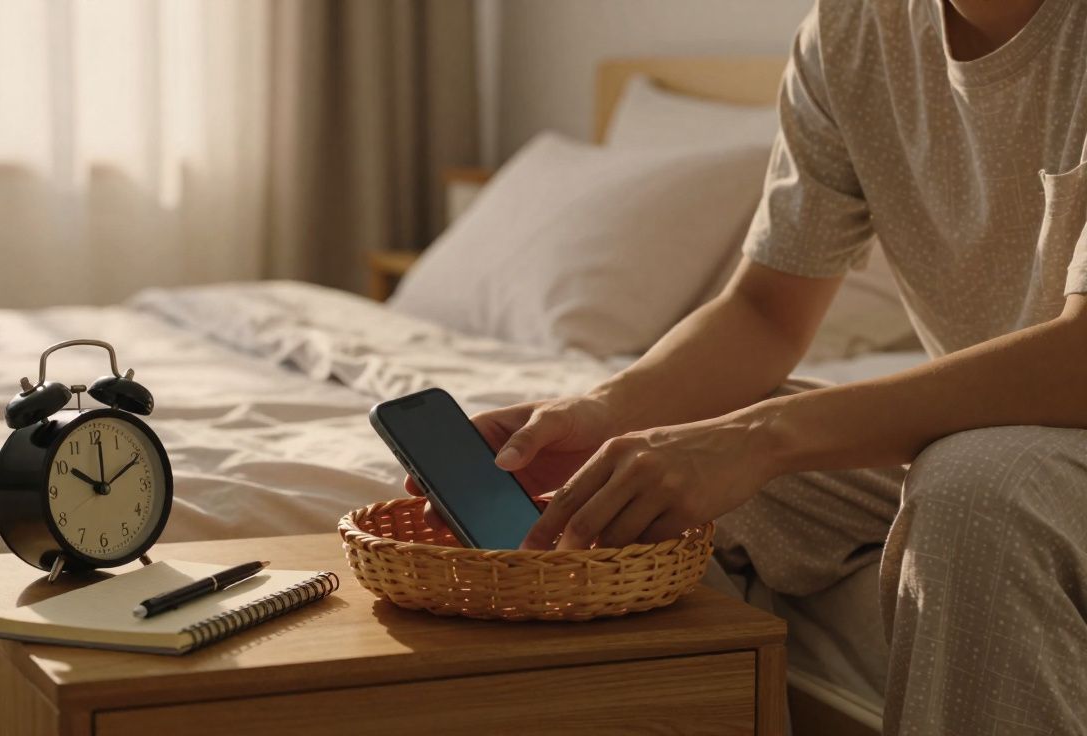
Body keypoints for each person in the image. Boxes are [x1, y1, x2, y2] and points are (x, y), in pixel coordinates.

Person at [406, 0, 1087, 732]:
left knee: (977, 489)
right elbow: (765, 311)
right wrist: (606, 413)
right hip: (983, 430)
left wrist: (760, 437)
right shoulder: (853, 30)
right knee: (643, 477)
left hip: (1022, 449)